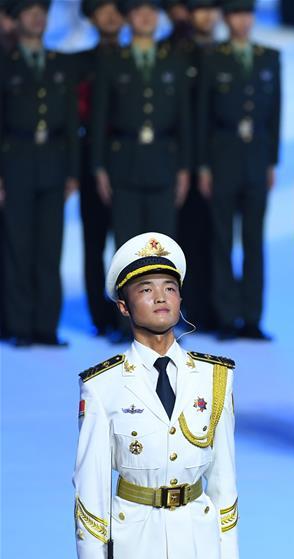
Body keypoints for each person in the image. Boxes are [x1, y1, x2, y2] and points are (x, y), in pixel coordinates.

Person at [74, 232, 238, 559]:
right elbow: (90, 481)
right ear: (123, 306)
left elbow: (223, 468)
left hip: (199, 550)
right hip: (134, 554)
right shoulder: (103, 385)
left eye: (170, 287)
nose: (161, 296)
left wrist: (226, 547)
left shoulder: (215, 377)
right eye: (146, 289)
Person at [196, 0, 280, 340]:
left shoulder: (269, 57)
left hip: (257, 157)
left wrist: (272, 160)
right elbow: (202, 113)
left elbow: (275, 113)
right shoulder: (214, 57)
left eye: (246, 14)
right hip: (222, 157)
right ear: (226, 18)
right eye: (234, 14)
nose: (241, 21)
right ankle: (227, 316)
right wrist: (203, 165)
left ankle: (252, 317)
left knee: (254, 240)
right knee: (222, 239)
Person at [0, 0, 79, 347]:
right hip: (15, 162)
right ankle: (20, 326)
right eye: (29, 12)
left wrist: (73, 172)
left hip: (53, 163)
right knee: (18, 247)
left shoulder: (59, 63)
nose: (37, 17)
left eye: (42, 11)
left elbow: (73, 123)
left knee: (50, 248)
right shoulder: (5, 65)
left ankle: (46, 325)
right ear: (16, 21)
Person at [92, 0, 191, 248]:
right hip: (124, 165)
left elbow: (185, 120)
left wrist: (185, 167)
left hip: (164, 163)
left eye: (151, 11)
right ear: (127, 18)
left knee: (163, 248)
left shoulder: (175, 61)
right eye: (138, 11)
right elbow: (99, 118)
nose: (146, 17)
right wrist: (98, 166)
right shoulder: (112, 62)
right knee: (127, 249)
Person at [74, 0, 124, 339]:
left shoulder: (137, 58)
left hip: (133, 164)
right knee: (94, 241)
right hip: (91, 161)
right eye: (101, 8)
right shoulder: (79, 64)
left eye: (116, 8)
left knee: (130, 242)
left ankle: (130, 312)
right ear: (91, 16)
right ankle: (99, 314)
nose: (110, 15)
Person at [173, 0, 221, 333]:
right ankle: (184, 309)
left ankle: (212, 307)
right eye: (199, 8)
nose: (206, 15)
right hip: (180, 160)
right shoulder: (174, 51)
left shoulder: (225, 52)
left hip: (221, 160)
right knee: (183, 237)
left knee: (215, 237)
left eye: (212, 8)